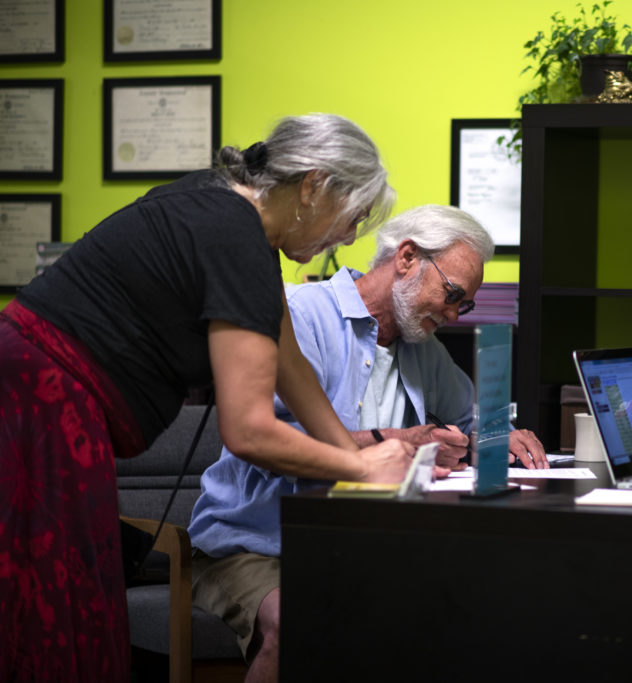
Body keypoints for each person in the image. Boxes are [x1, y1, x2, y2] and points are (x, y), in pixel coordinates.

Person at [0, 114, 415, 682]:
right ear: (313, 185)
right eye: (354, 217)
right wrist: (360, 467)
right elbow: (246, 432)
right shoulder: (235, 234)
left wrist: (350, 457)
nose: (347, 238)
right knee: (48, 612)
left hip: (36, 392)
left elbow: (287, 362)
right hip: (36, 405)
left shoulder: (225, 208)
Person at [187, 204, 549, 682]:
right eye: (453, 293)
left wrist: (496, 435)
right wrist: (399, 441)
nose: (454, 313)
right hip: (258, 545)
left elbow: (471, 418)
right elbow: (271, 442)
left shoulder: (424, 347)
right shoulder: (301, 317)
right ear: (406, 258)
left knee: (480, 605)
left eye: (465, 304)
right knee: (298, 623)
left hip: (364, 542)